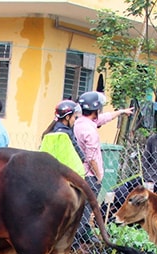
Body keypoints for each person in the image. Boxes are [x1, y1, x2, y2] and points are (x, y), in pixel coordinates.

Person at [73, 91, 133, 243]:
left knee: (77, 208)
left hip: (78, 172)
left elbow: (103, 119)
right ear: (96, 110)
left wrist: (120, 112)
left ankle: (78, 237)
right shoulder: (90, 131)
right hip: (90, 175)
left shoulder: (80, 122)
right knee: (85, 210)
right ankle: (76, 241)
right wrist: (99, 175)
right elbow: (91, 157)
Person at [39, 100, 85, 177]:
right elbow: (80, 154)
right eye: (75, 117)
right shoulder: (66, 134)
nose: (75, 120)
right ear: (67, 117)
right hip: (68, 175)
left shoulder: (50, 132)